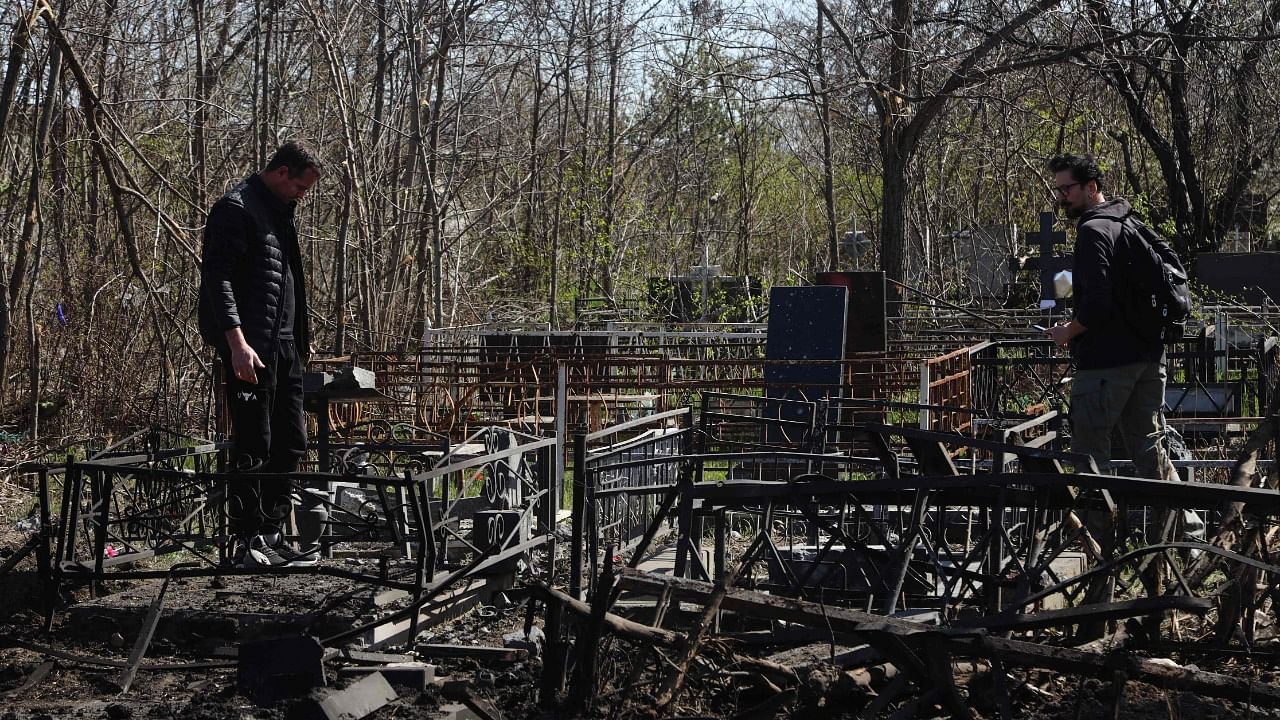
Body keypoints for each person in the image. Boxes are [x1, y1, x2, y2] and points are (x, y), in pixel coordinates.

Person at [1044, 153, 1203, 543]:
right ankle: (1187, 535)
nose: (1061, 197)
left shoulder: (1094, 231)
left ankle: (1098, 547)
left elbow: (1097, 304)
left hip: (1106, 364)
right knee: (1149, 448)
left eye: (1067, 189)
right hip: (1148, 357)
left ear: (1091, 187)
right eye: (1058, 189)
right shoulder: (1129, 222)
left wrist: (1069, 330)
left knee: (1088, 453)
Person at [199, 140, 322, 567]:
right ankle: (245, 541)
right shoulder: (237, 208)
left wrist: (301, 340)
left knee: (292, 442)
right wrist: (236, 344)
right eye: (300, 188)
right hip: (251, 348)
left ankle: (270, 534)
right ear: (283, 172)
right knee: (256, 442)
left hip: (286, 347)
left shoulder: (278, 213)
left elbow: (285, 282)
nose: (301, 196)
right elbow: (219, 279)